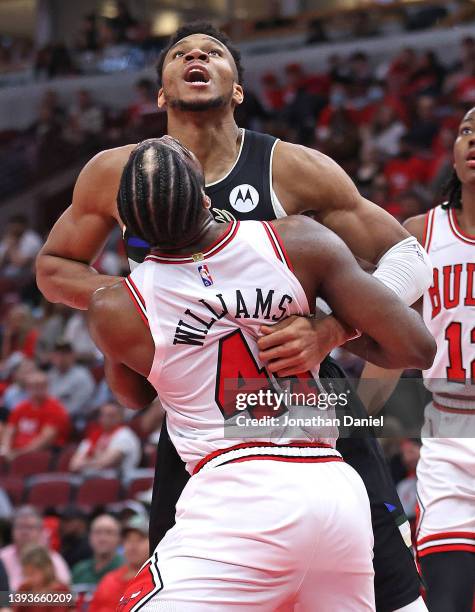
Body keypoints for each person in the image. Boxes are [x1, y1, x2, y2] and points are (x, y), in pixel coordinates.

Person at [36, 22, 434, 612]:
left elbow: (409, 255)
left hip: (306, 398)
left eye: (213, 51)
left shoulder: (293, 168)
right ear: (161, 93)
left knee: (391, 589)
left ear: (238, 88)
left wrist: (330, 328)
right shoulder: (116, 171)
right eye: (179, 53)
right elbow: (54, 266)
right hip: (201, 411)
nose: (196, 55)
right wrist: (149, 303)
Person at [88, 137, 435, 610]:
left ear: (128, 224)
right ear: (208, 197)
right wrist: (331, 330)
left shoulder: (116, 306)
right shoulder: (296, 241)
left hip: (236, 493)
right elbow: (416, 345)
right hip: (335, 489)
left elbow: (132, 395)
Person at [360, 107, 475, 612]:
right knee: (446, 599)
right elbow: (395, 341)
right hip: (449, 439)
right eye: (467, 130)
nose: (473, 139)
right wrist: (356, 418)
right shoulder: (422, 234)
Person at [0, 371, 70, 459]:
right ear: (27, 388)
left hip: (43, 455)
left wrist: (19, 454)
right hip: (16, 453)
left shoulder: (56, 409)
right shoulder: (22, 407)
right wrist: (6, 449)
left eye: (40, 386)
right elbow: (10, 431)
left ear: (47, 387)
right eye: (32, 386)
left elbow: (45, 440)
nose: (36, 390)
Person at [0, 506, 71, 592]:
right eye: (20, 527)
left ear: (41, 531)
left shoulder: (53, 559)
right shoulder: (2, 557)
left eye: (30, 527)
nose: (24, 532)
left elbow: (65, 597)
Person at [88, 514, 149, 612]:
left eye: (140, 539)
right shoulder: (108, 580)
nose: (133, 545)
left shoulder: (156, 581)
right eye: (128, 539)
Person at [69, 401, 141, 473]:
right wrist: (93, 462)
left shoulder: (124, 436)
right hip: (91, 480)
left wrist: (84, 463)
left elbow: (106, 463)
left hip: (117, 482)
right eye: (102, 415)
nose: (105, 419)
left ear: (121, 417)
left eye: (110, 416)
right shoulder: (95, 435)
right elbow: (73, 465)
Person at [71, 514, 122, 593]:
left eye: (109, 533)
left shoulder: (127, 570)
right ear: (89, 537)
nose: (102, 538)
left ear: (119, 538)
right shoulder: (79, 570)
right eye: (97, 532)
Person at [14, 546, 72, 612]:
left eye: (33, 573)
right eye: (27, 573)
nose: (29, 577)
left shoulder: (60, 590)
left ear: (45, 569)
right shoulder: (24, 589)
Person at [48, 340, 95, 420]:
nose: (61, 357)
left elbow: (78, 406)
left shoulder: (82, 376)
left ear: (73, 356)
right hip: (52, 418)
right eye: (57, 353)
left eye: (65, 353)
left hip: (75, 419)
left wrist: (54, 415)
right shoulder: (50, 374)